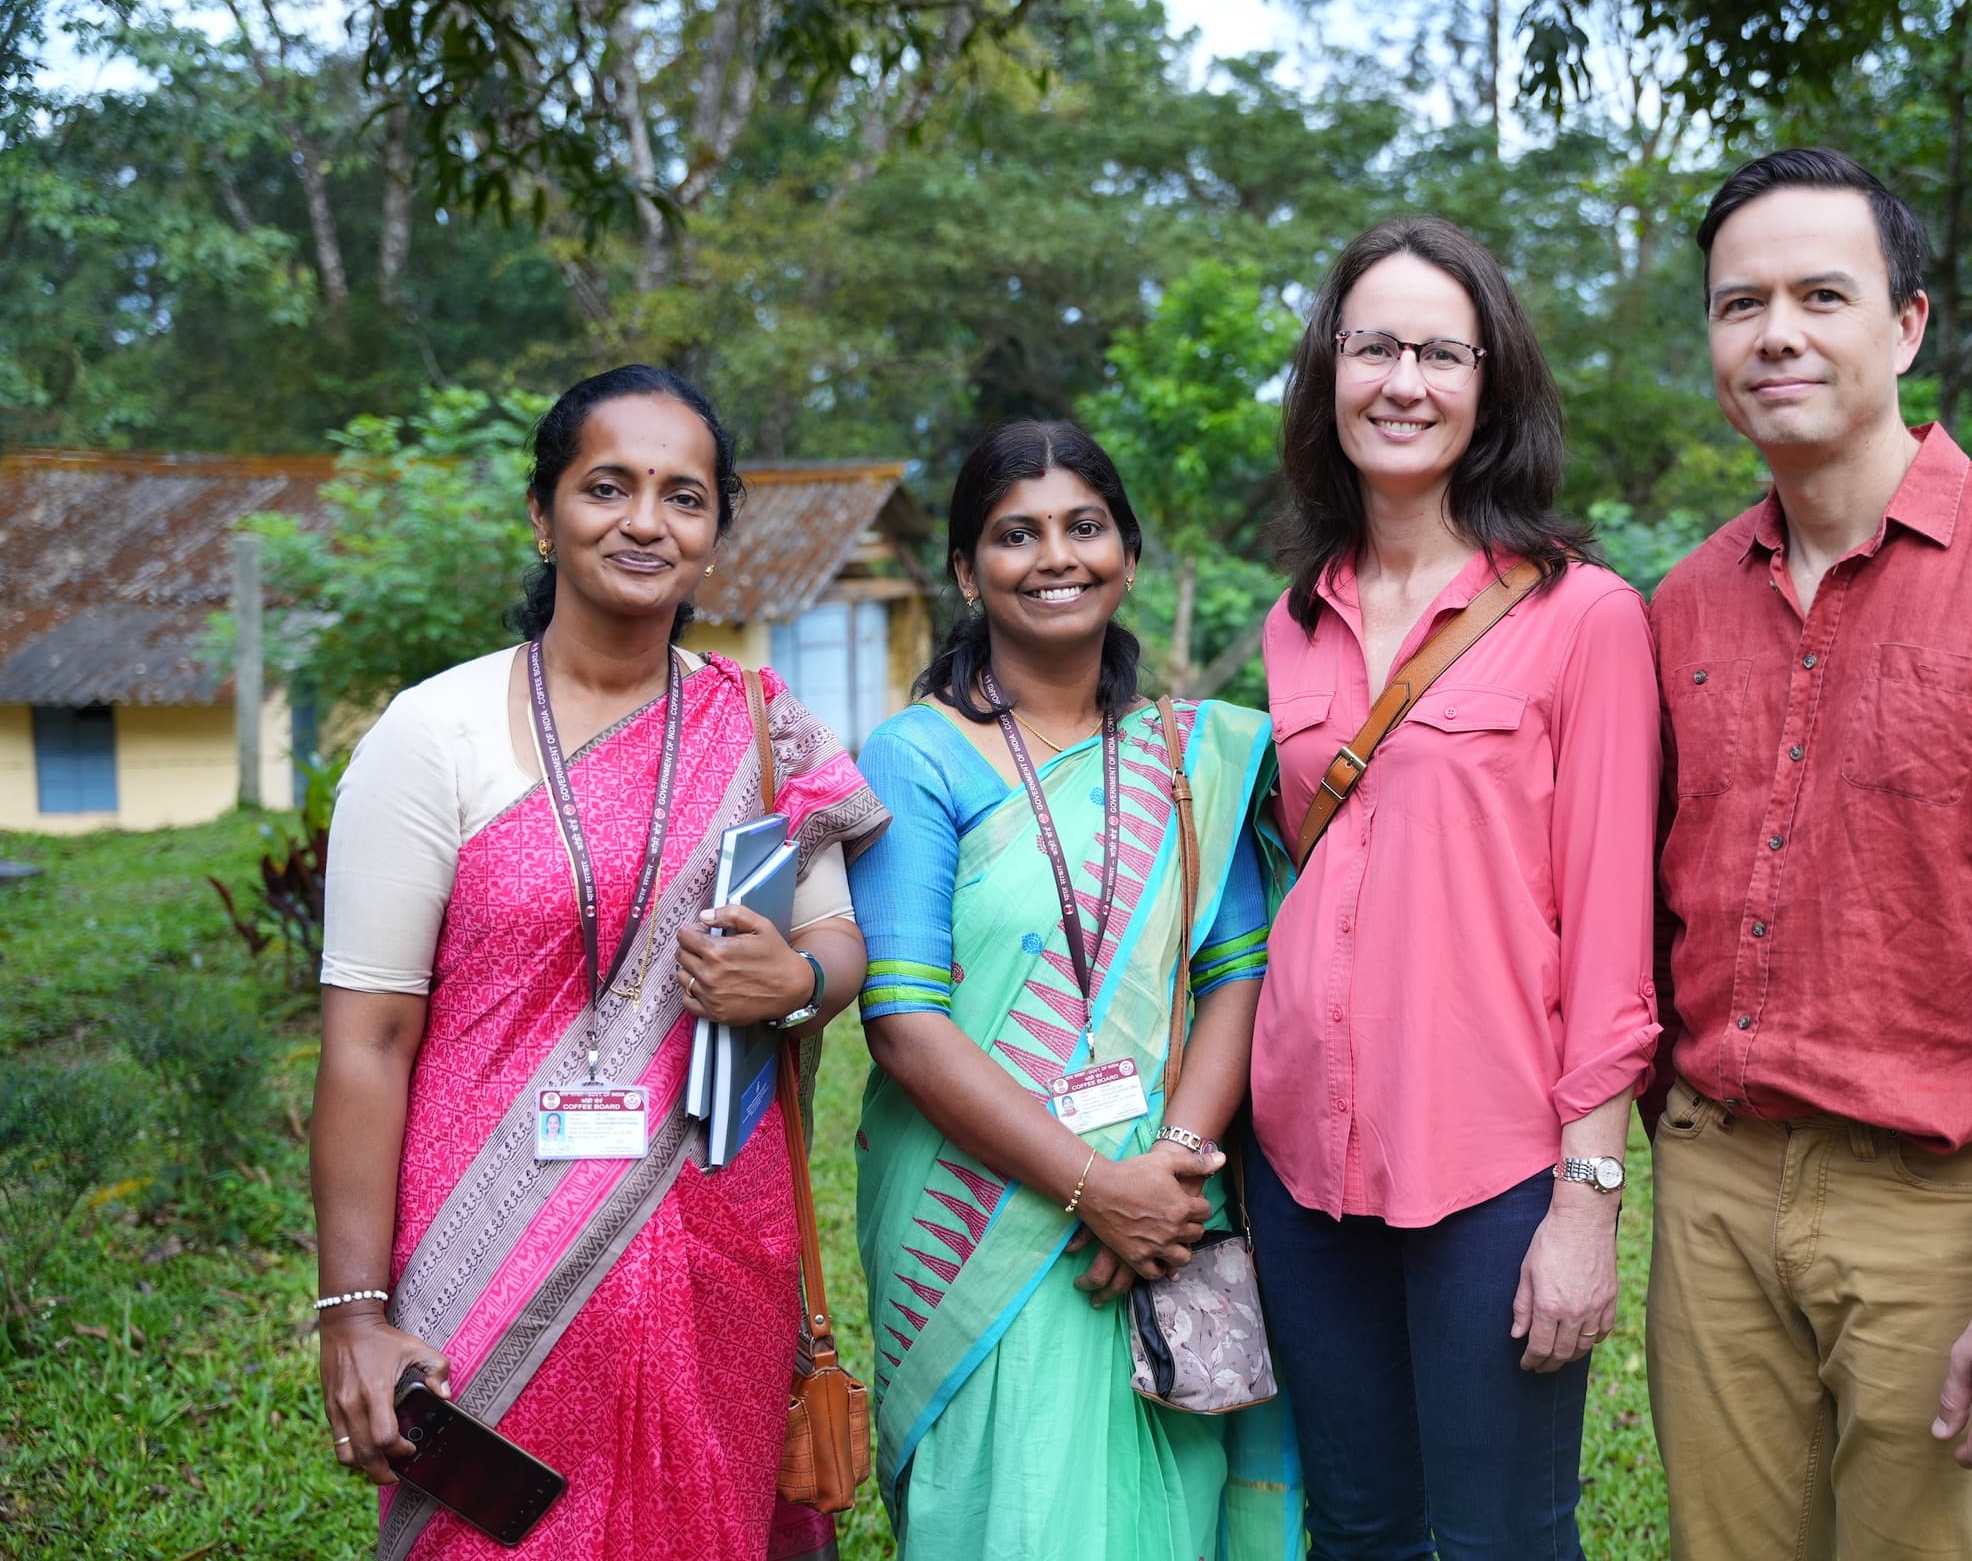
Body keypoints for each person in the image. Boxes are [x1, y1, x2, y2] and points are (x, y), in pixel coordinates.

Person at [1644, 147, 1972, 1560]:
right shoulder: (1682, 606)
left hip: (1935, 1204)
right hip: (1714, 1186)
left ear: (1908, 323)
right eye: (1738, 303)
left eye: (1823, 293)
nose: (1777, 334)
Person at [311, 364, 890, 1561]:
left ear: (718, 528)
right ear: (544, 513)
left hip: (722, 1244)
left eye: (683, 495)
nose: (645, 520)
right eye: (607, 486)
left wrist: (800, 982)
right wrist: (354, 1315)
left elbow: (841, 942)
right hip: (490, 1254)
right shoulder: (435, 735)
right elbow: (366, 1040)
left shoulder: (761, 727)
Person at [1249, 216, 1662, 1560]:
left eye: (1441, 350)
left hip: (1494, 1170)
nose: (1404, 382)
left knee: (1503, 1539)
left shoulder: (1583, 617)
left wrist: (1586, 1208)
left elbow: (1611, 936)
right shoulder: (1293, 616)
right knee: (1357, 1530)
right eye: (1374, 346)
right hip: (1304, 1164)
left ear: (1491, 385)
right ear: (1329, 373)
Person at [847, 419, 1303, 1561]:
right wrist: (1094, 1186)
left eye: (1084, 526)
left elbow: (1237, 972)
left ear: (1128, 555)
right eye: (1017, 534)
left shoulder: (1187, 757)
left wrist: (1171, 1175)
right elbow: (903, 1022)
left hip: (1162, 1216)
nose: (1056, 555)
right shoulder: (916, 756)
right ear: (967, 570)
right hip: (986, 1215)